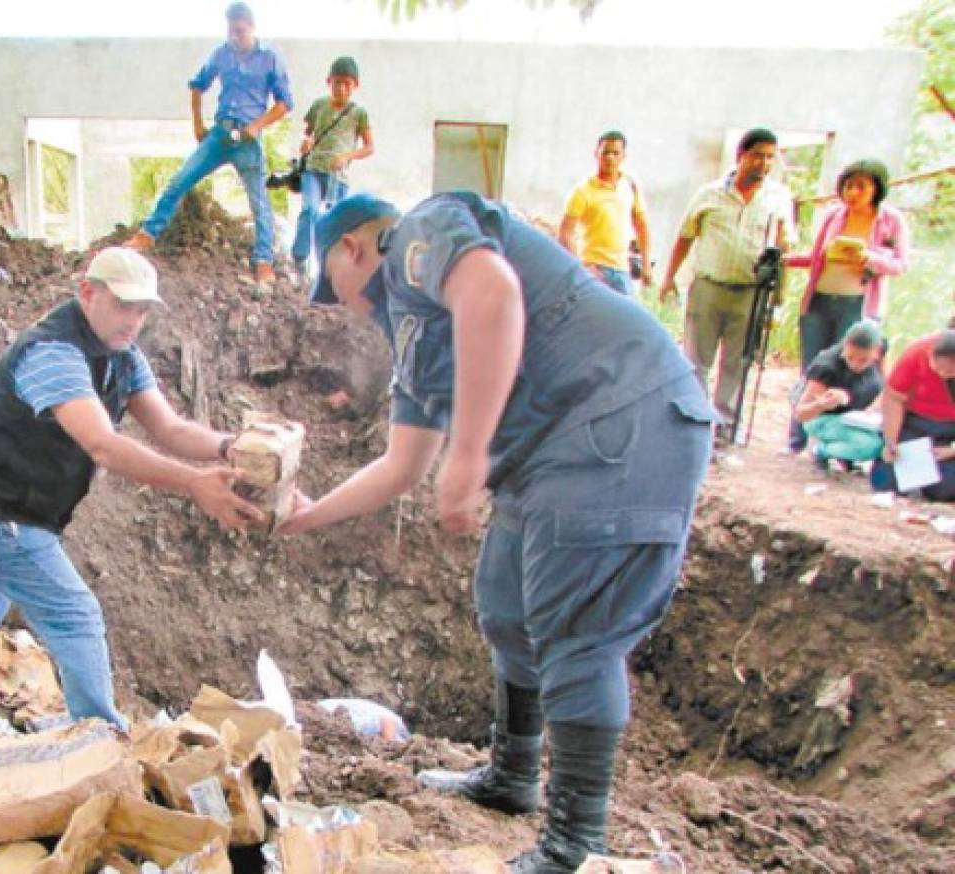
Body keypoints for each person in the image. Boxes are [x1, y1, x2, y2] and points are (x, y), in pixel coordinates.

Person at [280, 192, 713, 872]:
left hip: (621, 417)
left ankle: (576, 844)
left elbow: (494, 295)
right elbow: (401, 465)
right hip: (549, 453)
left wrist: (472, 452)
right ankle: (513, 774)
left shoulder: (421, 234)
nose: (345, 309)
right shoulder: (417, 335)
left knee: (578, 627)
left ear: (352, 250)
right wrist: (306, 514)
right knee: (507, 605)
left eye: (334, 286)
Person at [0, 247, 262, 745]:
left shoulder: (121, 357)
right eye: (123, 305)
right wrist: (194, 482)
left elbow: (171, 429)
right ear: (88, 293)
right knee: (75, 616)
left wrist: (230, 447)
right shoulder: (53, 354)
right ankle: (100, 745)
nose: (134, 320)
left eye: (143, 309)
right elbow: (102, 445)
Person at [127, 2, 292, 285]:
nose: (235, 36)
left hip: (247, 140)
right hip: (220, 135)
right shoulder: (221, 54)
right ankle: (147, 234)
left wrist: (257, 125)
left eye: (239, 31)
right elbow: (197, 84)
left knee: (259, 202)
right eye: (230, 31)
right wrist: (197, 124)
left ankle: (263, 260)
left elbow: (284, 104)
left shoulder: (269, 58)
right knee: (180, 179)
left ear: (251, 27)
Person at [659, 128, 794, 432]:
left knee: (737, 361)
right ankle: (694, 417)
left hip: (750, 291)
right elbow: (685, 237)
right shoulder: (709, 194)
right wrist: (669, 278)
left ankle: (725, 422)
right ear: (741, 156)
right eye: (757, 155)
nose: (763, 163)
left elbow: (785, 249)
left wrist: (778, 297)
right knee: (696, 357)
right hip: (709, 286)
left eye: (770, 157)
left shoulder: (778, 199)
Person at [784, 159, 909, 451]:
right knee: (811, 368)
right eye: (849, 186)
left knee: (854, 370)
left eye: (862, 186)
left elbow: (901, 263)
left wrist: (869, 258)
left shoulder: (890, 220)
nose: (853, 192)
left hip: (858, 304)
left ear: (876, 189)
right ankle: (797, 437)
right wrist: (790, 260)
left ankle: (842, 435)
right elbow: (817, 256)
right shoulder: (833, 215)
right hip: (821, 297)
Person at [289, 56, 374, 279]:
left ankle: (329, 270)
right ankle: (299, 259)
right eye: (338, 82)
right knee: (310, 210)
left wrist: (347, 156)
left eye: (348, 84)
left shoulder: (359, 113)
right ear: (329, 81)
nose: (342, 88)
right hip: (314, 169)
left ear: (356, 86)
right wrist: (305, 141)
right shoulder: (319, 106)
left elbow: (369, 147)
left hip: (338, 176)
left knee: (334, 220)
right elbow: (306, 133)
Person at [557, 131, 652, 295]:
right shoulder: (582, 191)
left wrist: (646, 264)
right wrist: (581, 268)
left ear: (623, 156)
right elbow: (566, 233)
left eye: (615, 153)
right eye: (605, 152)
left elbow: (641, 225)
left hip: (623, 270)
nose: (610, 157)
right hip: (595, 269)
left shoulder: (630, 185)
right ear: (596, 154)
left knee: (625, 319)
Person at [871, 329, 955, 501]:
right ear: (930, 354)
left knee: (946, 491)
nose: (942, 375)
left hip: (950, 431)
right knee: (884, 483)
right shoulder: (917, 352)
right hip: (914, 422)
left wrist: (952, 451)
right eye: (938, 369)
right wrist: (891, 441)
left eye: (950, 373)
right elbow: (893, 398)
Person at [792, 320, 885, 469]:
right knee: (871, 446)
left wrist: (875, 406)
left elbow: (883, 382)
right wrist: (821, 404)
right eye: (850, 357)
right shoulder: (827, 366)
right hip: (823, 418)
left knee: (890, 439)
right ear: (845, 346)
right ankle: (821, 451)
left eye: (864, 360)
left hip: (859, 418)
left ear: (877, 352)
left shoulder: (880, 353)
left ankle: (845, 454)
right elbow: (800, 413)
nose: (855, 364)